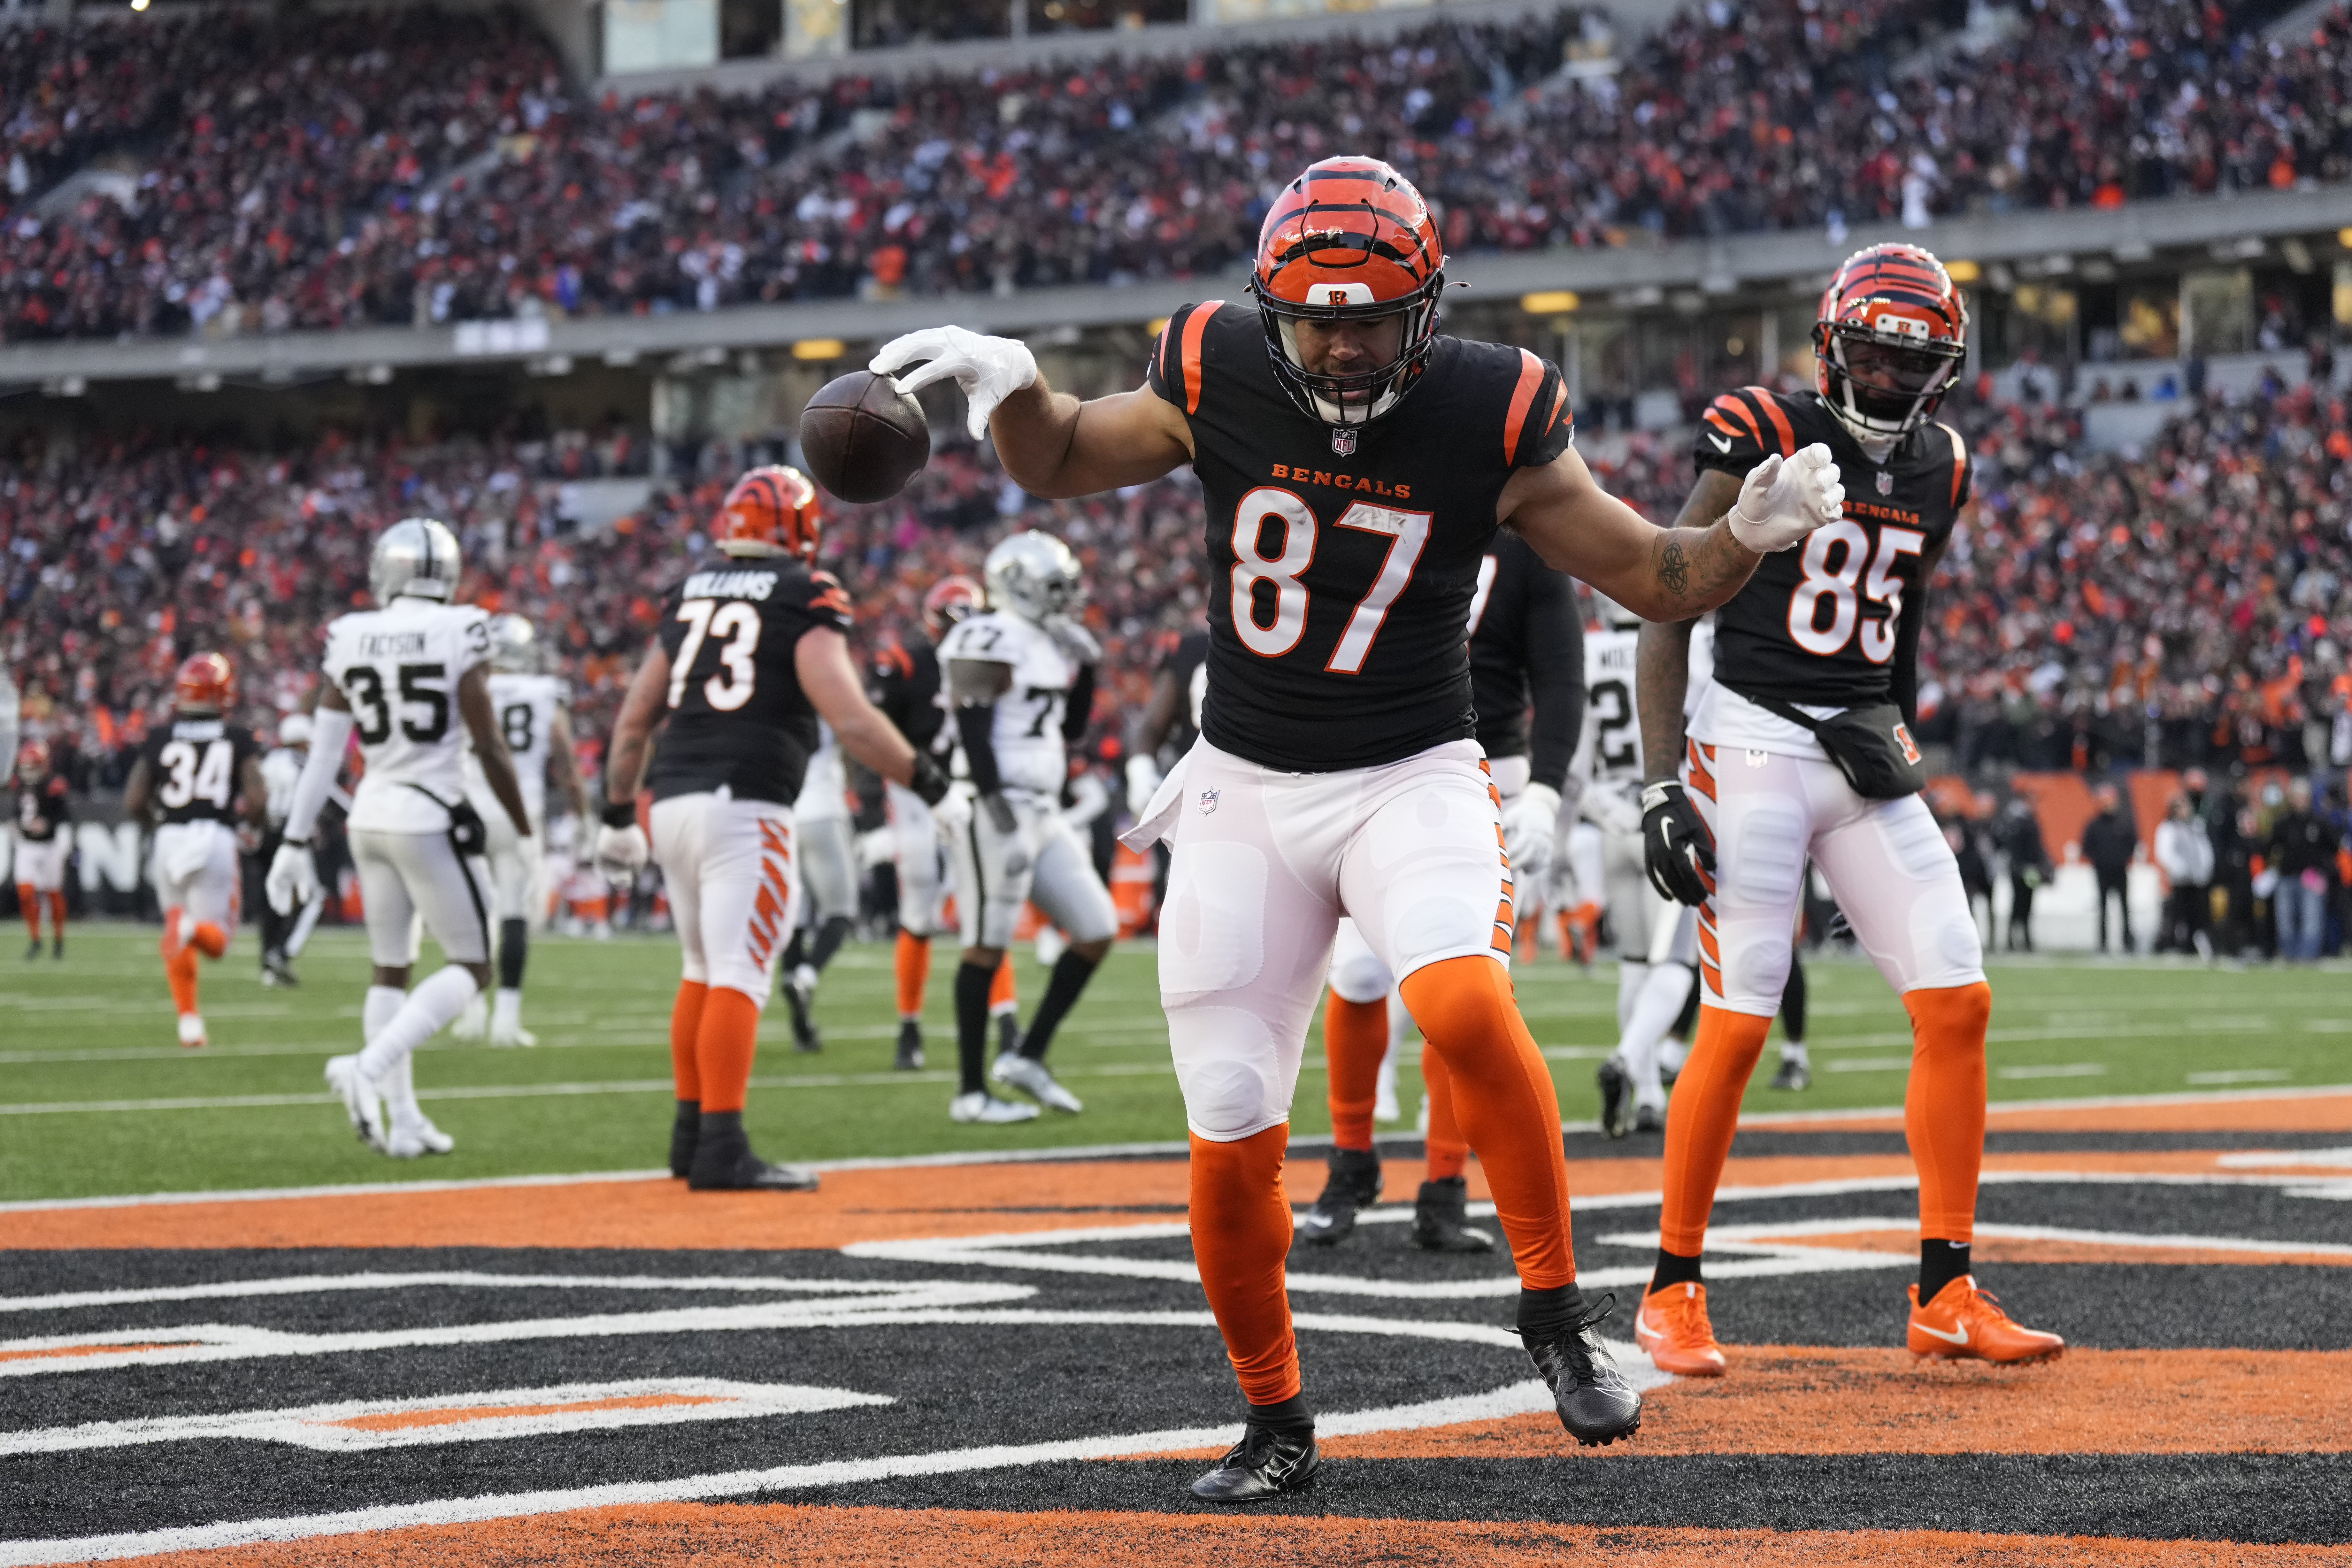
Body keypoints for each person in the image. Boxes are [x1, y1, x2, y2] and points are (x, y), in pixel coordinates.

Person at [871, 154, 1843, 1498]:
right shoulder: (1215, 363)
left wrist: (1745, 532)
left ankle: (1554, 1312)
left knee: (1454, 1000)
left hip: (1412, 771)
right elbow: (1059, 462)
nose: (1338, 344)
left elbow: (1650, 571)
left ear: (1424, 312)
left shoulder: (1488, 408)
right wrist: (1015, 389)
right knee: (1225, 1130)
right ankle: (1276, 1420)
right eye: (1316, 318)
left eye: (1367, 318)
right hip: (1245, 786)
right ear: (1272, 310)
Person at [1634, 242, 2062, 1380]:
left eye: (1906, 362)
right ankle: (1671, 1288)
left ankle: (1945, 1287)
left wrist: (1899, 731)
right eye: (1868, 354)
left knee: (1958, 995)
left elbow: (1904, 619)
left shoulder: (1944, 464)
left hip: (1857, 746)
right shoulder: (1762, 431)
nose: (1882, 379)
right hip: (1753, 738)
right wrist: (1660, 778)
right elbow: (1668, 595)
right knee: (1738, 1014)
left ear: (1944, 370)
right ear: (1831, 345)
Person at [592, 466, 951, 1190]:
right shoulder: (801, 594)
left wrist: (613, 814)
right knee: (739, 972)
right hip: (745, 805)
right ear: (800, 530)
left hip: (671, 802)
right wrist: (931, 783)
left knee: (699, 966)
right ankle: (722, 1147)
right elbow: (850, 717)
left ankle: (690, 1136)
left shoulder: (691, 589)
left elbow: (635, 716)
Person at [1302, 528, 1583, 1254]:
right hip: (1380, 767)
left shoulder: (1526, 541)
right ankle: (1350, 1160)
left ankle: (1443, 1184)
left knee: (1462, 989)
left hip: (1489, 772)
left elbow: (1559, 673)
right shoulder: (1387, 502)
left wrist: (1547, 791)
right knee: (1359, 974)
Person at [268, 518, 533, 1160]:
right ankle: (366, 1066)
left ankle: (406, 1119)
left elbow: (327, 754)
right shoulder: (459, 627)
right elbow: (491, 745)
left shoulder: (352, 634)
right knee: (474, 966)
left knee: (391, 969)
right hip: (426, 815)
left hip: (369, 816)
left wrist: (294, 840)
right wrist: (523, 827)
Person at [933, 530, 1119, 1123]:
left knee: (1096, 927)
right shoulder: (986, 632)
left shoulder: (1043, 640)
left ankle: (1028, 1056)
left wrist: (1087, 668)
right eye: (1054, 588)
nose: (1064, 599)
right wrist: (990, 798)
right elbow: (972, 723)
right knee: (986, 945)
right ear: (1017, 584)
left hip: (1042, 807)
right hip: (999, 801)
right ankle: (969, 1091)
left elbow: (1069, 731)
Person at [452, 614, 589, 1046]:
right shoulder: (544, 692)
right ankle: (506, 1021)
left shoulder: (470, 686)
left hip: (473, 810)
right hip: (520, 813)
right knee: (513, 914)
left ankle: (471, 1013)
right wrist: (584, 816)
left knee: (471, 916)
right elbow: (566, 765)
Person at [123, 653, 267, 1049]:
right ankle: (187, 932)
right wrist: (253, 827)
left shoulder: (160, 736)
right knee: (217, 940)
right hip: (213, 838)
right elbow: (257, 798)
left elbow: (135, 801)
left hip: (170, 837)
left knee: (178, 922)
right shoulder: (237, 737)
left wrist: (160, 828)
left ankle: (189, 1021)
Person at [870, 574, 983, 1070]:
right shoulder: (907, 661)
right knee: (919, 900)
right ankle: (909, 1026)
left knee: (984, 904)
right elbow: (876, 733)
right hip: (914, 789)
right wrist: (874, 804)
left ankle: (1002, 1020)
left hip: (967, 785)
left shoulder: (987, 661)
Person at [776, 722, 857, 1052]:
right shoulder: (825, 684)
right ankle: (806, 977)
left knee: (795, 919)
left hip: (783, 811)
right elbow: (856, 731)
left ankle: (802, 1029)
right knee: (842, 913)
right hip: (821, 810)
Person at [255, 713, 340, 987]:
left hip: (266, 833)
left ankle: (268, 964)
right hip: (292, 836)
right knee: (313, 897)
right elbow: (333, 799)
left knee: (274, 896)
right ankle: (282, 953)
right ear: (304, 741)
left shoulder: (267, 762)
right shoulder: (304, 764)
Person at [11, 737, 71, 960]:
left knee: (53, 893)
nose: (29, 770)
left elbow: (64, 816)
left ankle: (58, 938)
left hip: (50, 846)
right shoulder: (20, 784)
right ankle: (35, 938)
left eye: (33, 766)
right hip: (27, 845)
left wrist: (49, 825)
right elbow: (18, 811)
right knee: (26, 893)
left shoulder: (54, 784)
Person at [2267, 777, 2336, 962]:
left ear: (2308, 798)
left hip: (2312, 878)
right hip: (2287, 876)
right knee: (2285, 920)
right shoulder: (2283, 823)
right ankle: (2289, 955)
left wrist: (2323, 869)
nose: (2299, 800)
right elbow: (2271, 847)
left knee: (2312, 919)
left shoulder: (2319, 822)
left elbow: (2334, 847)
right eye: (2296, 796)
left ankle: (2307, 957)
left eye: (2302, 796)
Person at [2153, 792, 2214, 959]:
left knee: (2196, 915)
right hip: (2178, 880)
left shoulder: (2196, 826)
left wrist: (2205, 868)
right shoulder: (2168, 828)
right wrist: (2178, 868)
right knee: (2176, 914)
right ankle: (2172, 945)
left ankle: (2192, 945)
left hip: (2196, 879)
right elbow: (2164, 853)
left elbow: (2204, 849)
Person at [2082, 784, 2138, 955]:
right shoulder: (2094, 825)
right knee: (2103, 908)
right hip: (2102, 871)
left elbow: (2133, 843)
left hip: (2120, 870)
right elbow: (2087, 847)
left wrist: (2122, 859)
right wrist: (2100, 860)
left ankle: (2127, 942)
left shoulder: (2124, 823)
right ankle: (2103, 943)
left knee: (2125, 907)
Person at [1997, 798, 2049, 951]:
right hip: (2024, 870)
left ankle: (2016, 940)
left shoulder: (2018, 825)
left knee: (2021, 905)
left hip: (2022, 869)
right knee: (2023, 905)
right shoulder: (2027, 825)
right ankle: (2020, 940)